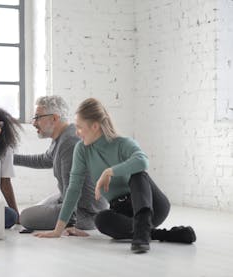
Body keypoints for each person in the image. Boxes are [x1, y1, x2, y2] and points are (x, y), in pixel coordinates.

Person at [35, 98, 196, 253]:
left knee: (138, 174)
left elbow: (142, 161)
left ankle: (142, 229)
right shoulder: (82, 150)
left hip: (152, 206)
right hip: (124, 212)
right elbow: (73, 188)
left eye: (80, 127)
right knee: (101, 220)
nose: (77, 132)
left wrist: (109, 171)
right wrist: (58, 230)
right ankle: (160, 234)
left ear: (95, 126)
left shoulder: (122, 143)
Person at [14, 95, 108, 231]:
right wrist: (10, 158)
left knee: (25, 218)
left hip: (85, 211)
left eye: (37, 117)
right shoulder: (62, 137)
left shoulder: (69, 142)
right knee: (34, 210)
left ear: (54, 118)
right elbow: (43, 160)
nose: (34, 123)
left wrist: (65, 225)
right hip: (67, 197)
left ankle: (71, 221)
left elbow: (73, 191)